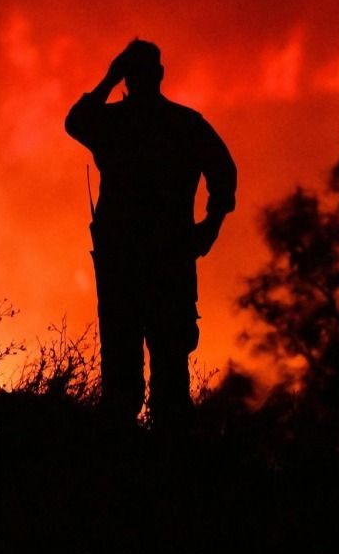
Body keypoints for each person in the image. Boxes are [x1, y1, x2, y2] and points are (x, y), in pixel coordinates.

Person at [65, 39, 237, 428]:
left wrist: (109, 77)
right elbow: (224, 174)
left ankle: (136, 469)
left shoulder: (115, 123)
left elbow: (76, 121)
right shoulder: (184, 124)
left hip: (130, 266)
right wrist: (208, 228)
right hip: (164, 264)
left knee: (128, 388)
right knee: (166, 385)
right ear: (159, 74)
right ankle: (164, 470)